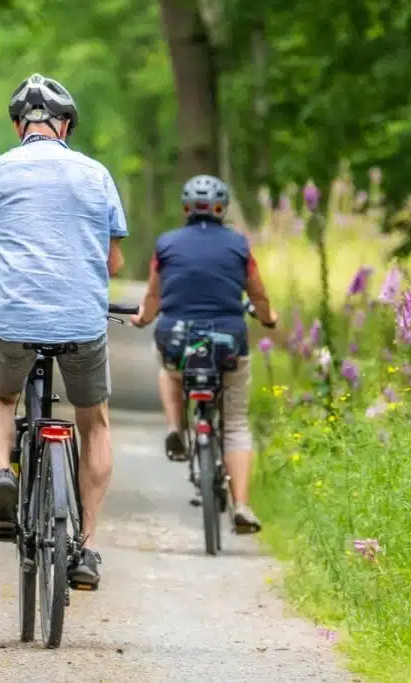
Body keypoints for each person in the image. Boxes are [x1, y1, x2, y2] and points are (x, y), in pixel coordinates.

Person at [0, 73, 127, 589]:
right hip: (82, 321)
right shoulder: (96, 174)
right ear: (66, 126)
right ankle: (87, 547)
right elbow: (113, 260)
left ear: (20, 126)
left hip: (15, 318)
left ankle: (3, 472)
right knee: (95, 422)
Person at [129, 174, 277, 534]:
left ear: (186, 209)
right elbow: (257, 294)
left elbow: (153, 296)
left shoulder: (166, 244)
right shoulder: (239, 245)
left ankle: (175, 427)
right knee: (236, 423)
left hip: (178, 339)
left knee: (169, 370)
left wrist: (144, 318)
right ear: (222, 209)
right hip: (228, 342)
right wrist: (268, 318)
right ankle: (241, 505)